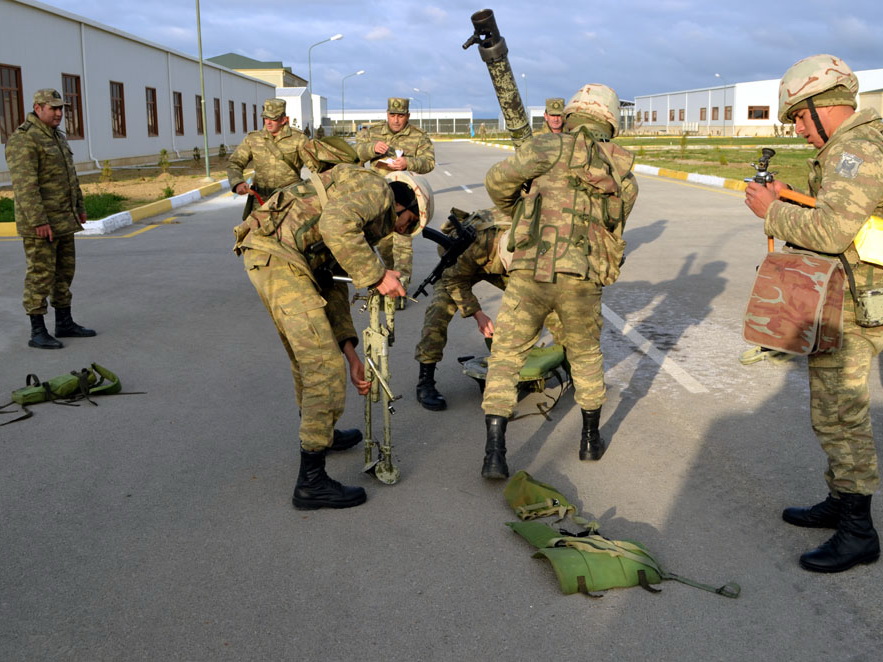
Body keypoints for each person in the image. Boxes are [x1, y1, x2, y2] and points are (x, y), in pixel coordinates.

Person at [233, 137, 431, 510]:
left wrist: (352, 353)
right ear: (406, 203)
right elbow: (338, 227)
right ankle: (311, 482)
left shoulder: (355, 226)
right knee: (322, 368)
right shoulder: (376, 192)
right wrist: (376, 275)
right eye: (407, 226)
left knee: (312, 358)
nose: (400, 233)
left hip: (276, 254)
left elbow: (333, 292)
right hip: (278, 256)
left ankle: (321, 431)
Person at [745, 54, 883, 573]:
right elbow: (845, 217)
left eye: (800, 117)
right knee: (835, 414)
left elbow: (831, 234)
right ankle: (839, 501)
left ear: (825, 107)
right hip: (855, 295)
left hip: (853, 306)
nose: (798, 129)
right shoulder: (860, 145)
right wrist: (791, 198)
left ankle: (857, 531)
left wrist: (771, 210)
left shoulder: (856, 151)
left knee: (840, 417)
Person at [479, 84, 639, 479]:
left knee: (506, 358)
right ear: (610, 121)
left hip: (530, 272)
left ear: (569, 116)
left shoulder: (545, 148)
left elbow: (496, 182)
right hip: (581, 278)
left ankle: (495, 454)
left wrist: (518, 211)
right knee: (585, 355)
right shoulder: (622, 171)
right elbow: (616, 222)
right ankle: (589, 441)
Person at [414, 207, 563, 411]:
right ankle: (425, 381)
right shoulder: (474, 245)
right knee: (438, 312)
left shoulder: (533, 235)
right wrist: (478, 314)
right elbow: (454, 280)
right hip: (459, 269)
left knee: (549, 304)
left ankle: (574, 364)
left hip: (504, 263)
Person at [5, 88, 95, 349]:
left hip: (64, 219)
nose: (58, 113)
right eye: (53, 108)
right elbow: (25, 186)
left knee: (64, 273)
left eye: (61, 108)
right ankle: (37, 331)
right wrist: (38, 221)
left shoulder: (56, 137)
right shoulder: (25, 139)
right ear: (38, 108)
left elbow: (70, 176)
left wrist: (79, 206)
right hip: (42, 224)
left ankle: (64, 322)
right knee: (40, 275)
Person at [355, 97, 435, 301]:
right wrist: (371, 149)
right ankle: (390, 279)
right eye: (393, 115)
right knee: (383, 245)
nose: (396, 120)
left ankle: (401, 290)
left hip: (406, 202)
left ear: (407, 116)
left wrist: (409, 162)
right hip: (378, 202)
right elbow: (355, 155)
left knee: (402, 246)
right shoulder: (372, 133)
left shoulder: (418, 136)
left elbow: (429, 162)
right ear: (387, 114)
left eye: (400, 116)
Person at [227, 98, 318, 221]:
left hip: (290, 200)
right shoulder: (253, 139)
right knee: (256, 237)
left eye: (273, 119)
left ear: (284, 119)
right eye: (266, 118)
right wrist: (237, 182)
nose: (268, 122)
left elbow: (316, 167)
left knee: (290, 238)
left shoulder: (299, 139)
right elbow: (235, 162)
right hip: (261, 201)